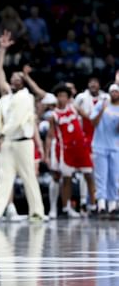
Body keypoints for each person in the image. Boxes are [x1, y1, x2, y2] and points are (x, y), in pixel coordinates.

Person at [0, 31, 46, 223]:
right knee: (3, 177)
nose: (14, 79)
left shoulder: (26, 97)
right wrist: (2, 49)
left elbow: (18, 121)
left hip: (23, 143)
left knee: (29, 178)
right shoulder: (6, 97)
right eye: (13, 77)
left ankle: (37, 212)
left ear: (23, 82)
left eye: (18, 77)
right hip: (6, 142)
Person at [45, 84, 97, 218]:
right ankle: (66, 207)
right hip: (65, 149)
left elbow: (89, 119)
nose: (62, 98)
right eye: (59, 96)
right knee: (65, 179)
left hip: (80, 147)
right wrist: (46, 154)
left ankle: (94, 205)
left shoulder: (74, 107)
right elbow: (50, 136)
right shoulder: (54, 115)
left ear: (68, 98)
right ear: (56, 98)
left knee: (89, 175)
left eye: (64, 96)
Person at [89, 84, 118, 217]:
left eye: (116, 92)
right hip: (99, 146)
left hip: (115, 146)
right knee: (101, 176)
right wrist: (102, 110)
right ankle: (101, 204)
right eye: (112, 91)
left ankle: (112, 205)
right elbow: (93, 122)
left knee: (114, 177)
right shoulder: (101, 105)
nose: (114, 94)